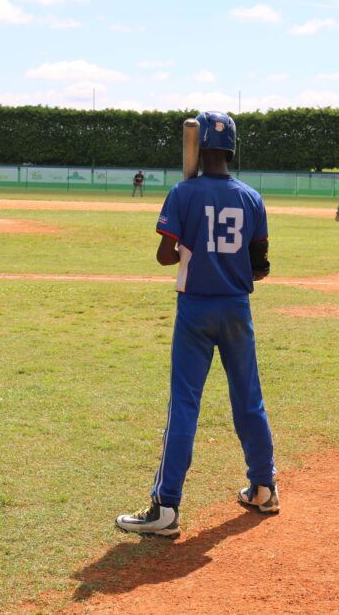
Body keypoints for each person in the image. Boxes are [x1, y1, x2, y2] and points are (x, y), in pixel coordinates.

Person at [115, 111, 278, 537]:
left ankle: (166, 507)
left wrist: (190, 248)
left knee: (185, 404)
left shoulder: (182, 193)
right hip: (237, 307)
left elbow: (164, 256)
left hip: (195, 310)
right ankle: (264, 486)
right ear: (231, 147)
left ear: (197, 147)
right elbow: (260, 267)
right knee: (249, 399)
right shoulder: (251, 198)